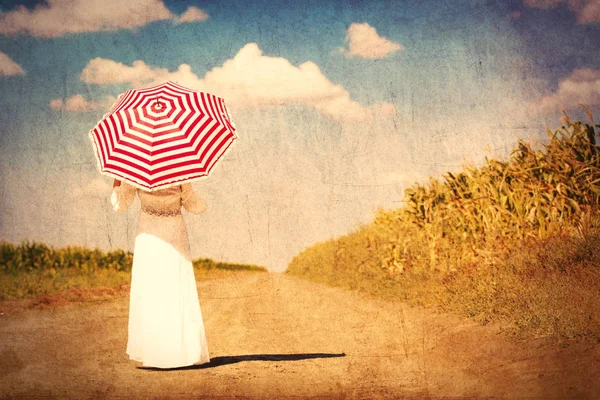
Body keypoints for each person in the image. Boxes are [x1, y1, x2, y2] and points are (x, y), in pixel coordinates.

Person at [111, 178, 210, 369]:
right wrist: (203, 203)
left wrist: (117, 182)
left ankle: (155, 351)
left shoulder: (136, 170)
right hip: (175, 230)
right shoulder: (180, 168)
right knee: (176, 289)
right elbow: (193, 204)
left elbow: (120, 204)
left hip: (149, 233)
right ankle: (181, 352)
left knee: (152, 290)